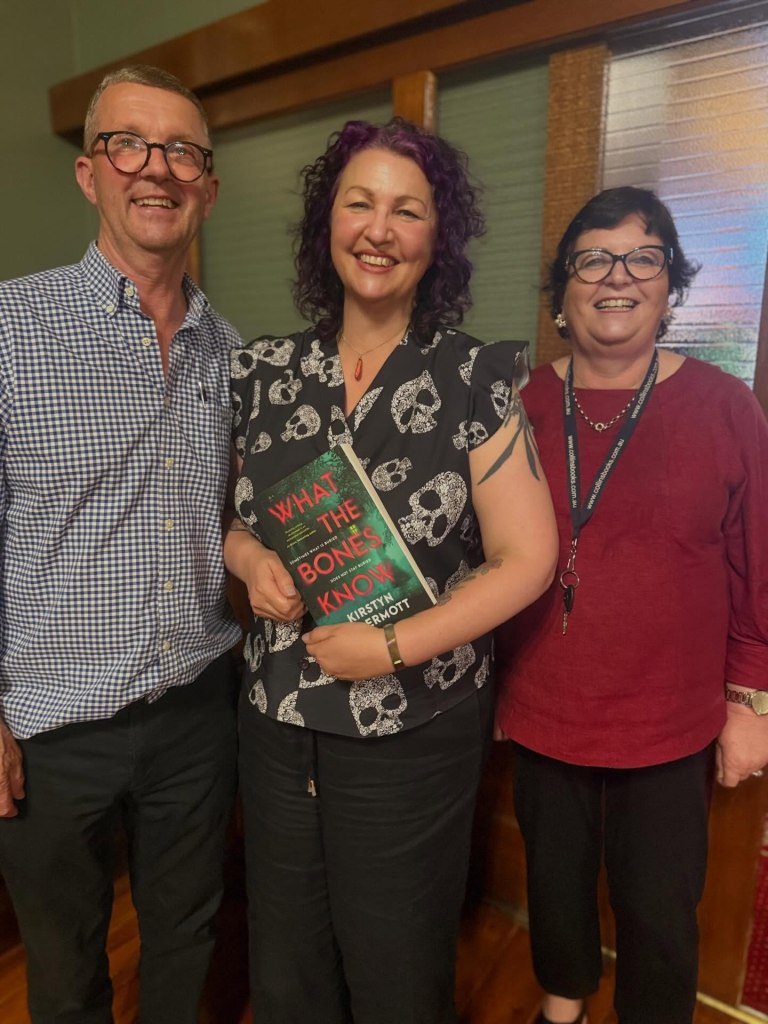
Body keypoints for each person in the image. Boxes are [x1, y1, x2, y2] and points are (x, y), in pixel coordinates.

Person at [225, 117, 558, 1024]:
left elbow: (529, 559)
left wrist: (394, 646)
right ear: (325, 223)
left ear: (435, 238)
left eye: (406, 211)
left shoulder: (476, 376)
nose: (379, 228)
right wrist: (250, 556)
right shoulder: (263, 372)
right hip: (278, 714)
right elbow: (232, 521)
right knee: (287, 964)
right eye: (359, 203)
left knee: (397, 967)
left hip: (414, 721)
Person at [0, 65, 241, 1024]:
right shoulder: (12, 329)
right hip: (56, 723)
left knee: (187, 939)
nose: (159, 169)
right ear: (89, 173)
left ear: (208, 188)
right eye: (129, 144)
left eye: (183, 150)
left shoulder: (230, 349)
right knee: (63, 971)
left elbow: (227, 514)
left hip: (196, 709)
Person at [495, 186, 768, 1024]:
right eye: (593, 260)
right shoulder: (519, 404)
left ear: (669, 283)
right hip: (543, 702)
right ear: (564, 290)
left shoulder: (725, 407)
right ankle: (563, 1004)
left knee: (659, 906)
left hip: (670, 715)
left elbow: (759, 566)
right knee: (555, 880)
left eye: (642, 258)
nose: (617, 278)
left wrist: (750, 700)